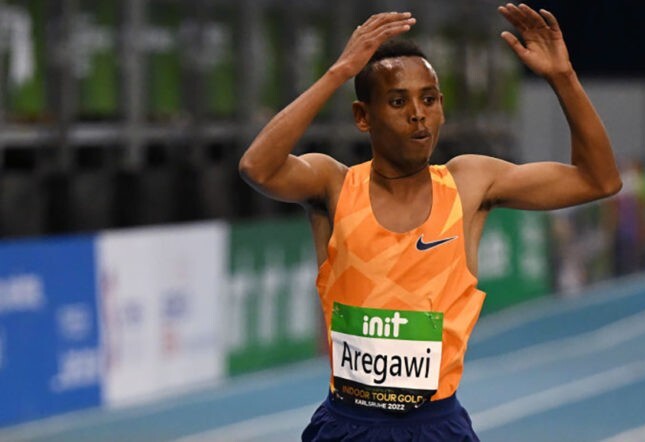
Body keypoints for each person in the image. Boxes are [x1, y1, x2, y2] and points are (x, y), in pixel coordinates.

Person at [239, 3, 621, 441]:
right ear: (363, 116)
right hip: (348, 426)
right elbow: (256, 167)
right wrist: (338, 72)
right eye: (398, 101)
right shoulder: (334, 185)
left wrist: (563, 77)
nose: (417, 113)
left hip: (436, 427)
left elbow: (599, 180)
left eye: (429, 99)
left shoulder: (469, 185)